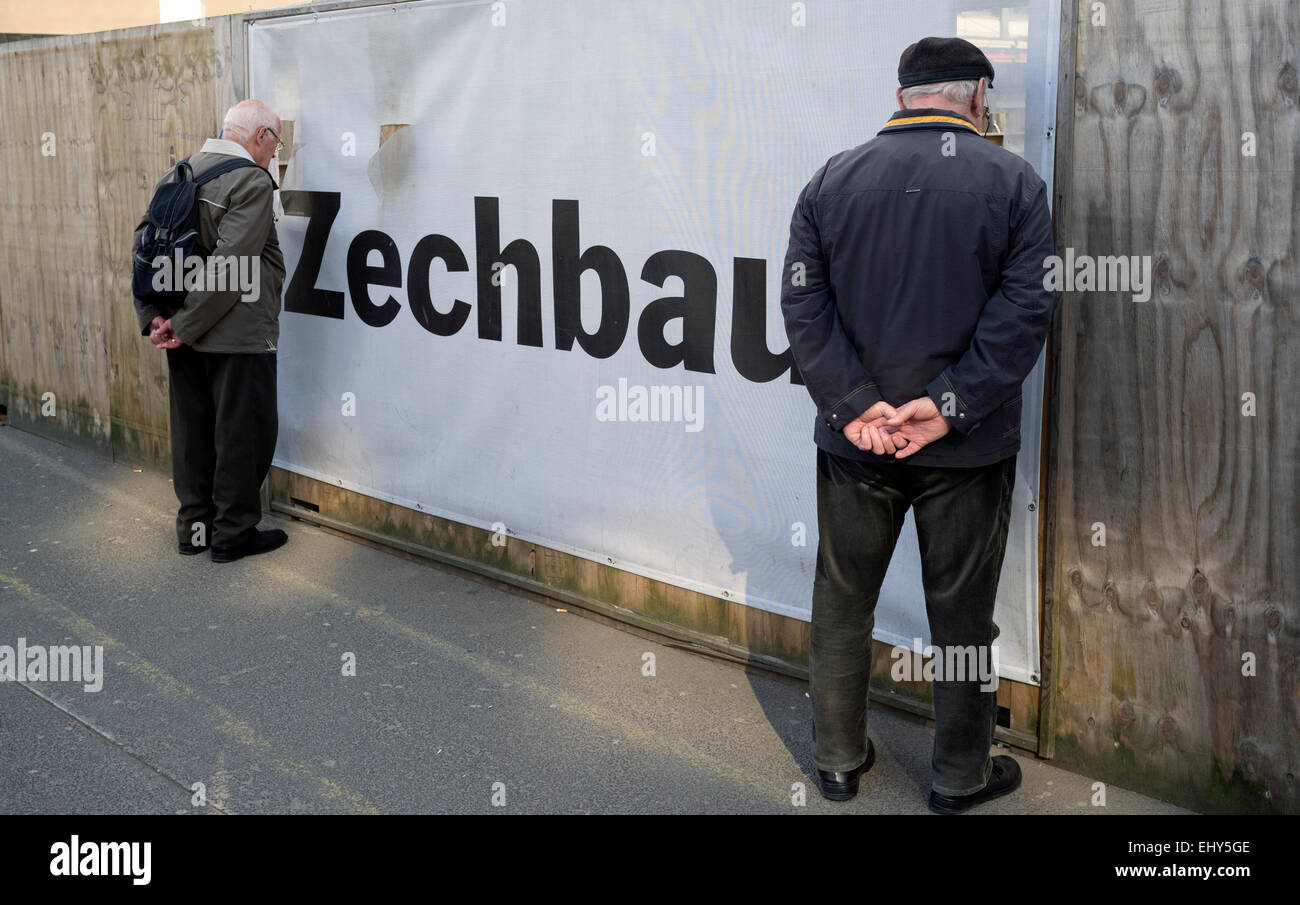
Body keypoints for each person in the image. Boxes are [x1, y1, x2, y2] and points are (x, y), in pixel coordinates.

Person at [779, 37, 1054, 813]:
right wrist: (948, 406)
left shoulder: (831, 180)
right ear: (974, 96)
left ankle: (836, 761)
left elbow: (803, 304)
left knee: (842, 597)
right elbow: (1025, 310)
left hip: (854, 442)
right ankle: (959, 776)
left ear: (903, 97)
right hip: (964, 447)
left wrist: (857, 406)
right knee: (961, 615)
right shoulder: (1015, 183)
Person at [133, 99, 288, 563]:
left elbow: (143, 250)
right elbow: (232, 265)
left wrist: (156, 317)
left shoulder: (179, 173)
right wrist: (183, 324)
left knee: (193, 431)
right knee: (243, 431)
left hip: (182, 331)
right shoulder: (250, 181)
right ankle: (233, 534)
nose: (275, 153)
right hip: (236, 335)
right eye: (275, 143)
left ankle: (194, 530)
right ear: (261, 136)